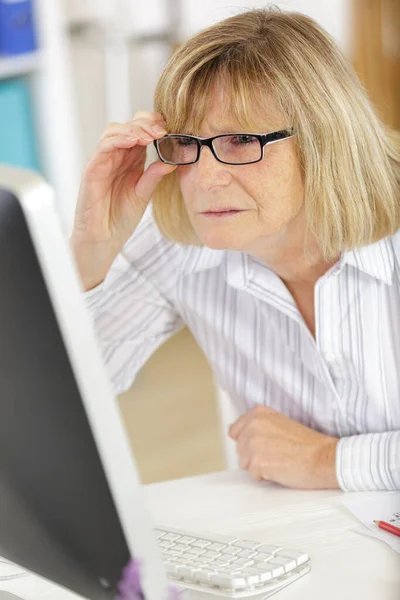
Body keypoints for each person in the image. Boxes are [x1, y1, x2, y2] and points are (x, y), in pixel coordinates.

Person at [70, 8, 400, 493]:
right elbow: (54, 401)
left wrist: (327, 461)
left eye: (243, 140)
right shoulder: (182, 242)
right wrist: (89, 252)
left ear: (323, 137)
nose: (205, 178)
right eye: (186, 143)